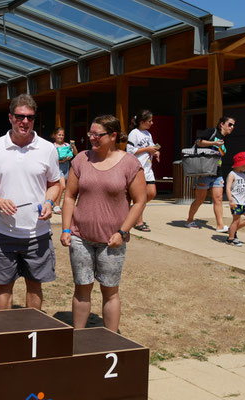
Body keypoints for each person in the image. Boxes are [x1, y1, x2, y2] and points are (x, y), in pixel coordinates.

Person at [60, 115, 146, 332]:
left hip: (112, 241)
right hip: (80, 238)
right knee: (82, 288)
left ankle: (110, 339)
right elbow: (69, 196)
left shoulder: (130, 163)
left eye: (97, 134)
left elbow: (139, 201)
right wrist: (66, 229)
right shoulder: (81, 159)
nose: (92, 138)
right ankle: (78, 337)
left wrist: (122, 232)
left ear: (113, 135)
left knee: (110, 290)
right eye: (91, 134)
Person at [0, 94, 61, 310]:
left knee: (34, 286)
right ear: (10, 118)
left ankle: (30, 333)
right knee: (4, 286)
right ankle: (5, 334)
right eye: (20, 117)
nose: (25, 122)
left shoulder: (47, 149)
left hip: (37, 233)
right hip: (3, 233)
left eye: (30, 118)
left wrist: (50, 202)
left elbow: (55, 184)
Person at [185, 116, 236, 231]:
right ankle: (189, 220)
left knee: (218, 198)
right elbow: (198, 142)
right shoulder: (212, 132)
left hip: (217, 172)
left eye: (233, 125)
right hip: (204, 172)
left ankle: (220, 225)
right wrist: (213, 143)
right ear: (222, 124)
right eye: (230, 124)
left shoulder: (223, 139)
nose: (232, 127)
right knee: (200, 199)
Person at [127, 110, 159, 232]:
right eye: (149, 121)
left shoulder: (148, 134)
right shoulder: (134, 133)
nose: (152, 123)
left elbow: (152, 147)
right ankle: (139, 222)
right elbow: (129, 150)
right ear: (141, 122)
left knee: (151, 193)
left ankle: (133, 209)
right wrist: (147, 148)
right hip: (137, 168)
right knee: (140, 197)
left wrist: (156, 151)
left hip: (148, 168)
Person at [225, 151, 245, 246]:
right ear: (240, 164)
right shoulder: (232, 174)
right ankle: (230, 239)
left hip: (244, 202)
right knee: (236, 220)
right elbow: (228, 188)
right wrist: (230, 201)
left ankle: (232, 230)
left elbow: (244, 188)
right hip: (235, 202)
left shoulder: (243, 175)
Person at [52, 127, 77, 214]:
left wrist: (73, 146)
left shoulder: (66, 145)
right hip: (57, 167)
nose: (61, 136)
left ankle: (54, 203)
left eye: (62, 135)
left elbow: (75, 154)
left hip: (66, 167)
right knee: (62, 186)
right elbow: (50, 159)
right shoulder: (52, 146)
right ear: (55, 135)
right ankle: (57, 206)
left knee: (64, 187)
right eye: (59, 135)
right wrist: (60, 161)